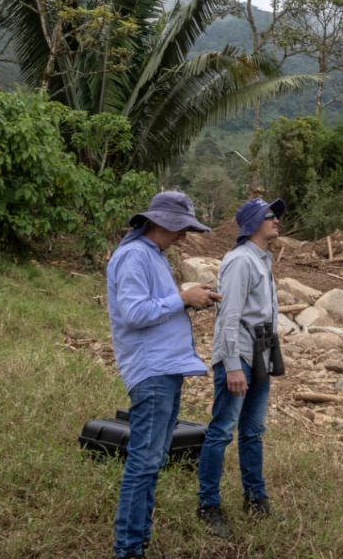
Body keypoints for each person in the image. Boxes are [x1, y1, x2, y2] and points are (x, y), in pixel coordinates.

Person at [107, 191, 220, 559]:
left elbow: (155, 309)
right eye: (180, 228)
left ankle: (138, 542)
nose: (183, 236)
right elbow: (135, 313)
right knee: (143, 462)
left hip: (165, 369)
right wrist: (183, 298)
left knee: (152, 460)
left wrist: (188, 300)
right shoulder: (134, 256)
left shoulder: (150, 255)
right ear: (159, 222)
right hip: (152, 370)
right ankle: (127, 549)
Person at [196, 197, 285, 537]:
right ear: (252, 224)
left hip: (260, 353)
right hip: (241, 357)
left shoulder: (263, 260)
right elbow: (228, 316)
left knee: (253, 431)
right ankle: (208, 504)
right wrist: (232, 365)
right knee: (222, 430)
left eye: (276, 215)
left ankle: (255, 499)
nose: (276, 220)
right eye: (269, 215)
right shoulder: (240, 261)